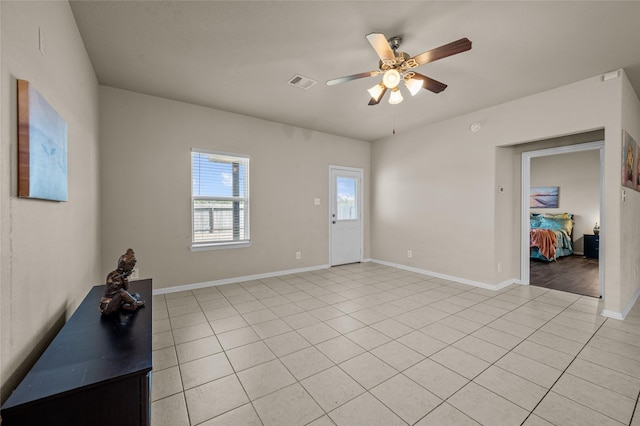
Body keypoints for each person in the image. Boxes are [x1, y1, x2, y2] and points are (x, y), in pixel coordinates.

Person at [99, 248, 145, 315]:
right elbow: (108, 291)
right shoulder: (112, 275)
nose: (131, 269)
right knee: (121, 293)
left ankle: (129, 304)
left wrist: (125, 277)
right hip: (107, 306)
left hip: (117, 303)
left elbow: (126, 288)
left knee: (136, 295)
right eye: (131, 267)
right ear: (123, 265)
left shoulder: (122, 276)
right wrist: (115, 283)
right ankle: (135, 303)